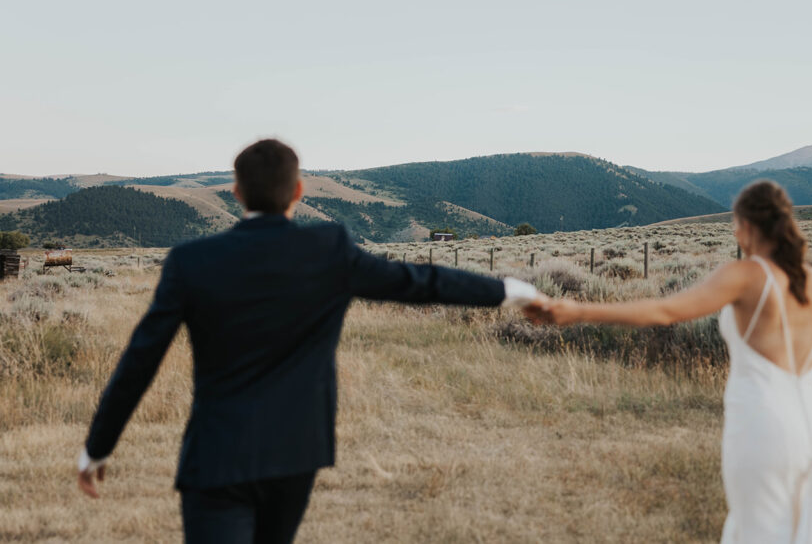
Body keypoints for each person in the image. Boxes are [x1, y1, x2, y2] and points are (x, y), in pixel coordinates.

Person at [76, 139, 540, 544]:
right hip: (295, 455)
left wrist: (99, 445)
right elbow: (419, 281)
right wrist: (509, 290)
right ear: (298, 191)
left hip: (217, 456)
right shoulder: (329, 250)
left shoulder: (191, 261)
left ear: (235, 193)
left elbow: (141, 359)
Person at [526, 181, 812, 543]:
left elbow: (666, 311)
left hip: (765, 425)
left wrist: (579, 311)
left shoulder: (748, 275)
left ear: (746, 226)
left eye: (735, 224)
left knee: (758, 532)